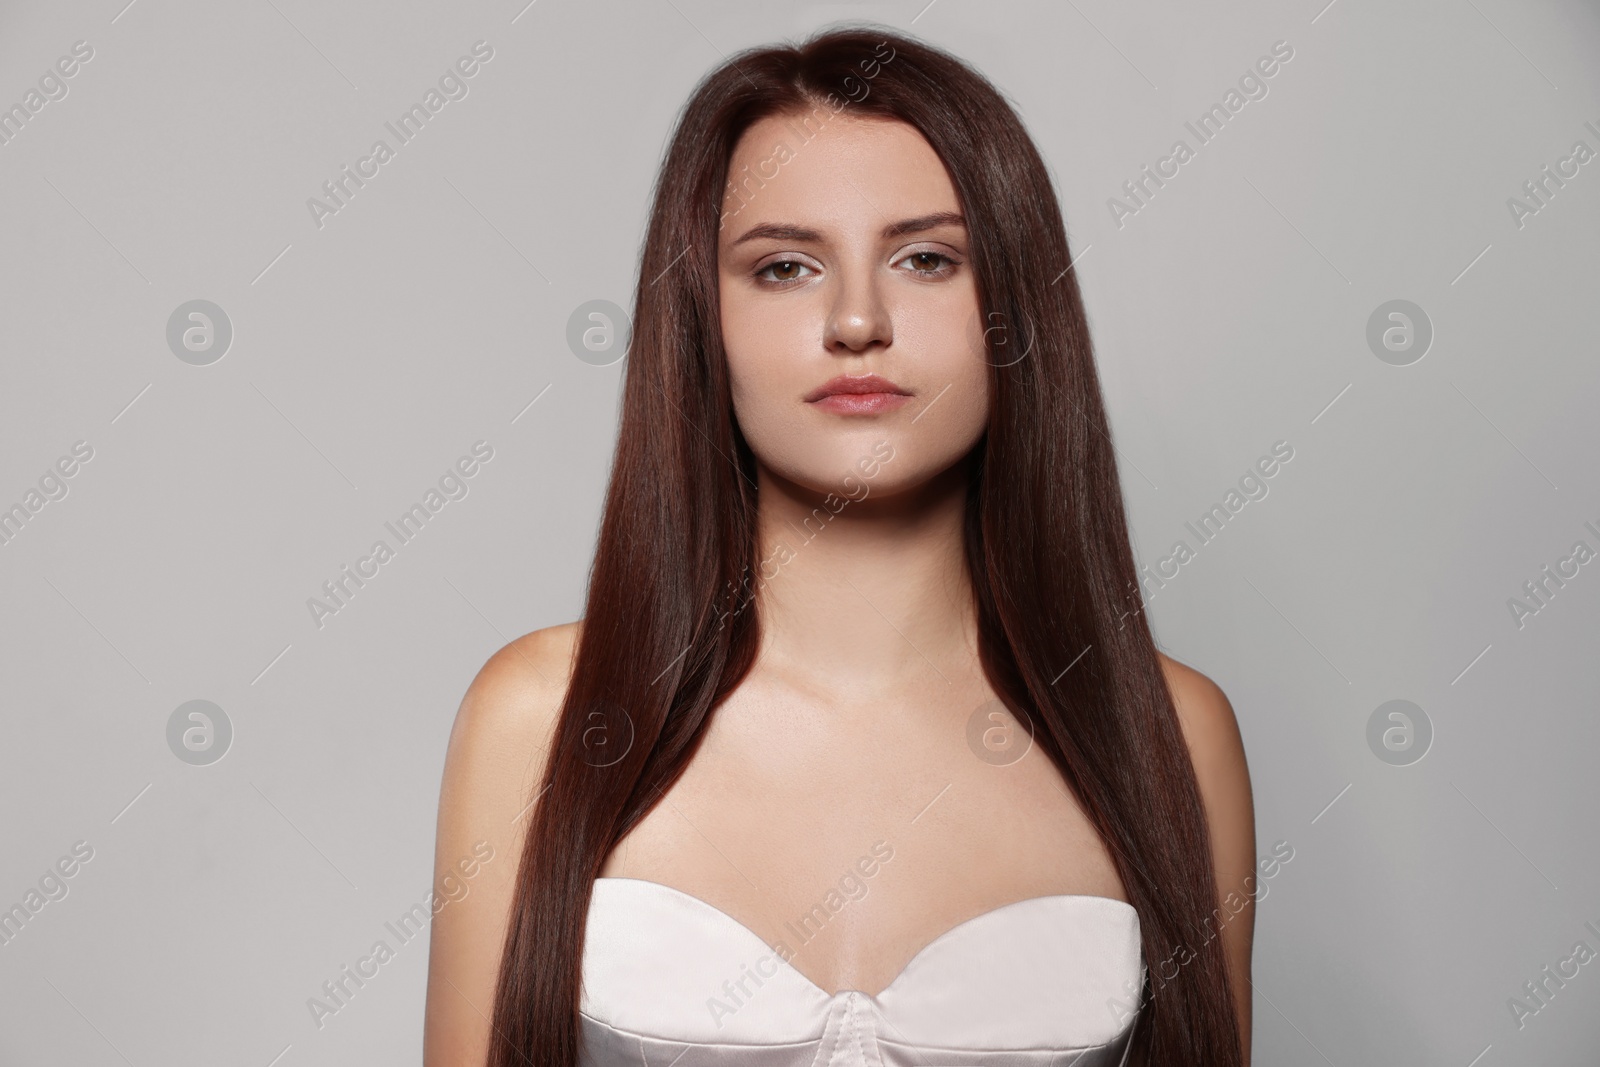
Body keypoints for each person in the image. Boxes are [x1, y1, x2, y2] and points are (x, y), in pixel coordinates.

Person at [424, 24, 1254, 1067]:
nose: (857, 319)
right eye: (783, 266)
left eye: (924, 259)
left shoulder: (1169, 731)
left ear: (1013, 311)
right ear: (702, 321)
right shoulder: (541, 717)